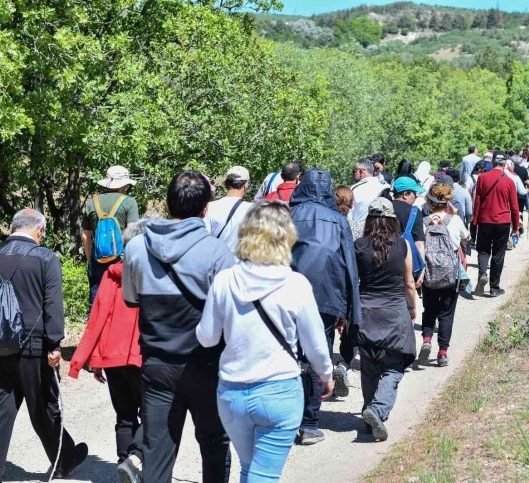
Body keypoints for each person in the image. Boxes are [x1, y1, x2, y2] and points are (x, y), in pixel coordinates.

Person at [196, 201, 334, 482]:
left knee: (251, 468)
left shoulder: (225, 280)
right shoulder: (295, 284)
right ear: (287, 238)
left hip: (232, 393)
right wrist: (326, 374)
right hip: (278, 391)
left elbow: (207, 338)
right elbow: (315, 344)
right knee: (264, 474)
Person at [123, 170, 236, 483]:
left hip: (156, 366)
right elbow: (229, 315)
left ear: (169, 204)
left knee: (156, 454)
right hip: (206, 366)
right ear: (205, 209)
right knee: (214, 444)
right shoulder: (218, 252)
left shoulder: (135, 248)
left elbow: (131, 301)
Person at [0, 209, 88, 480]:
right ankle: (63, 459)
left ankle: (67, 454)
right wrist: (54, 344)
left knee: (2, 407)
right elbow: (52, 304)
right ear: (39, 231)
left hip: (1, 344)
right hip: (33, 345)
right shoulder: (45, 258)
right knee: (44, 405)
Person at [69, 220, 151, 483]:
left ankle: (123, 464)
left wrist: (90, 360)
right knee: (154, 413)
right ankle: (134, 459)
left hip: (112, 356)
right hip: (143, 355)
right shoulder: (154, 272)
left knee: (125, 415)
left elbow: (98, 318)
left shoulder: (111, 273)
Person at [289, 169, 361, 444]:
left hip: (288, 292)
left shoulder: (288, 215)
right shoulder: (338, 220)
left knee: (289, 353)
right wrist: (347, 308)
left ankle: (288, 417)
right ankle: (309, 423)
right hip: (327, 295)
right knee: (320, 352)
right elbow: (348, 265)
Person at [351, 198, 417, 441]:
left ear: (369, 219)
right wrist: (412, 307)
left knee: (369, 367)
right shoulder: (402, 246)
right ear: (392, 220)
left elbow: (352, 282)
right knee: (393, 367)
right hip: (394, 312)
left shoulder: (358, 246)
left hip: (366, 314)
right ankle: (377, 410)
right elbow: (409, 283)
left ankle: (370, 418)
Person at [418, 184, 470, 368]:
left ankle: (426, 339)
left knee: (429, 310)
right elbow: (467, 237)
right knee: (446, 314)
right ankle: (442, 353)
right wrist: (454, 213)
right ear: (447, 202)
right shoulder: (454, 220)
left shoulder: (423, 221)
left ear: (430, 203)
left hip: (429, 273)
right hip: (450, 274)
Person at [82, 165, 140, 309]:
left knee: (96, 303)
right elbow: (132, 233)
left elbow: (85, 236)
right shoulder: (129, 202)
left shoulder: (92, 202)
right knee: (119, 303)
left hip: (97, 258)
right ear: (124, 185)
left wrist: (90, 260)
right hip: (120, 260)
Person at [472, 151, 519, 298]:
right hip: (503, 222)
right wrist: (516, 227)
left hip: (485, 220)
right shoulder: (510, 182)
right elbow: (515, 208)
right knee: (498, 254)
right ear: (505, 164)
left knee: (483, 250)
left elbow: (477, 201)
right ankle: (494, 288)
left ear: (492, 162)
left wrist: (475, 220)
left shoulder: (482, 178)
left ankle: (482, 274)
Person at [206, 166, 252, 253]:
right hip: (240, 262)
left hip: (216, 262)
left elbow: (205, 238)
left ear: (226, 184)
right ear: (245, 185)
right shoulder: (252, 210)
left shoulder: (209, 207)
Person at [391, 177, 426, 286]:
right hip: (405, 263)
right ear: (405, 194)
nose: (416, 196)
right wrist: (422, 269)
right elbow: (419, 243)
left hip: (381, 260)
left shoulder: (383, 207)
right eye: (415, 193)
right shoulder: (414, 212)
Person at [351, 158, 388, 224]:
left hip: (360, 232)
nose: (353, 175)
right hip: (381, 231)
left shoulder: (354, 189)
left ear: (361, 171)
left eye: (354, 171)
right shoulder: (384, 187)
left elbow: (348, 216)